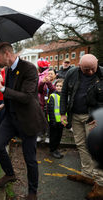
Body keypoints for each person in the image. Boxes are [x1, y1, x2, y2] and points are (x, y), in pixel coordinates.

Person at [0, 42, 48, 200]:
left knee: (30, 159)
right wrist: (3, 104)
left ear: (7, 54)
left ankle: (32, 192)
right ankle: (10, 174)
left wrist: (1, 89)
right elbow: (14, 93)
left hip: (27, 119)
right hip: (11, 117)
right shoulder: (8, 69)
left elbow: (27, 97)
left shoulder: (29, 68)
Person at [60, 54, 103, 199]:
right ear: (79, 66)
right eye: (86, 69)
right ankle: (87, 174)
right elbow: (64, 92)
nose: (90, 72)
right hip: (75, 115)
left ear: (97, 64)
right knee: (81, 145)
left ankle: (100, 185)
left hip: (93, 118)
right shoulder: (71, 73)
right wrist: (63, 113)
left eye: (93, 69)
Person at [47, 79, 64, 159]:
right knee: (53, 136)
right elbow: (50, 109)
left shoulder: (64, 96)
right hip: (54, 121)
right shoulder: (53, 96)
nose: (59, 87)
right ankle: (53, 150)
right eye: (57, 86)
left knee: (59, 136)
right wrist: (52, 121)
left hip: (61, 121)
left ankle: (56, 149)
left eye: (61, 86)